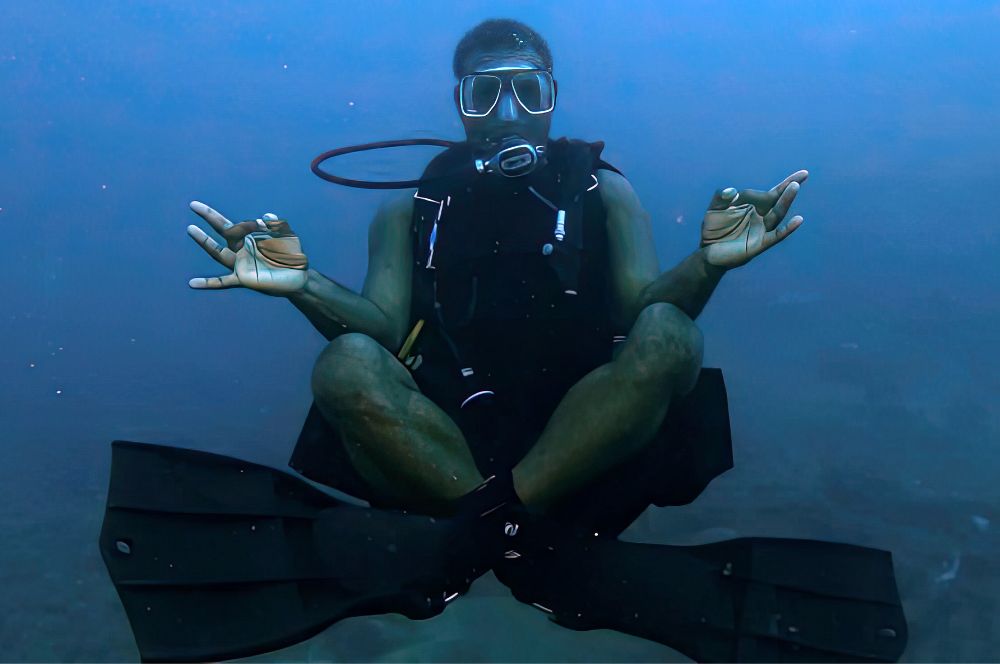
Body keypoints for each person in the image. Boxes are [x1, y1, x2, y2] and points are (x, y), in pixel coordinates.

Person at [102, 19, 906, 663]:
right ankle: (523, 543)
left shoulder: (602, 190)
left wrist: (711, 264)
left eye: (528, 90)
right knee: (343, 361)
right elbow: (377, 332)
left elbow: (648, 316)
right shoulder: (410, 209)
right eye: (487, 95)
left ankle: (484, 536)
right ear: (459, 105)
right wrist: (299, 286)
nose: (511, 112)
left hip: (585, 446)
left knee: (670, 334)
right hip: (445, 451)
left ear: (554, 99)